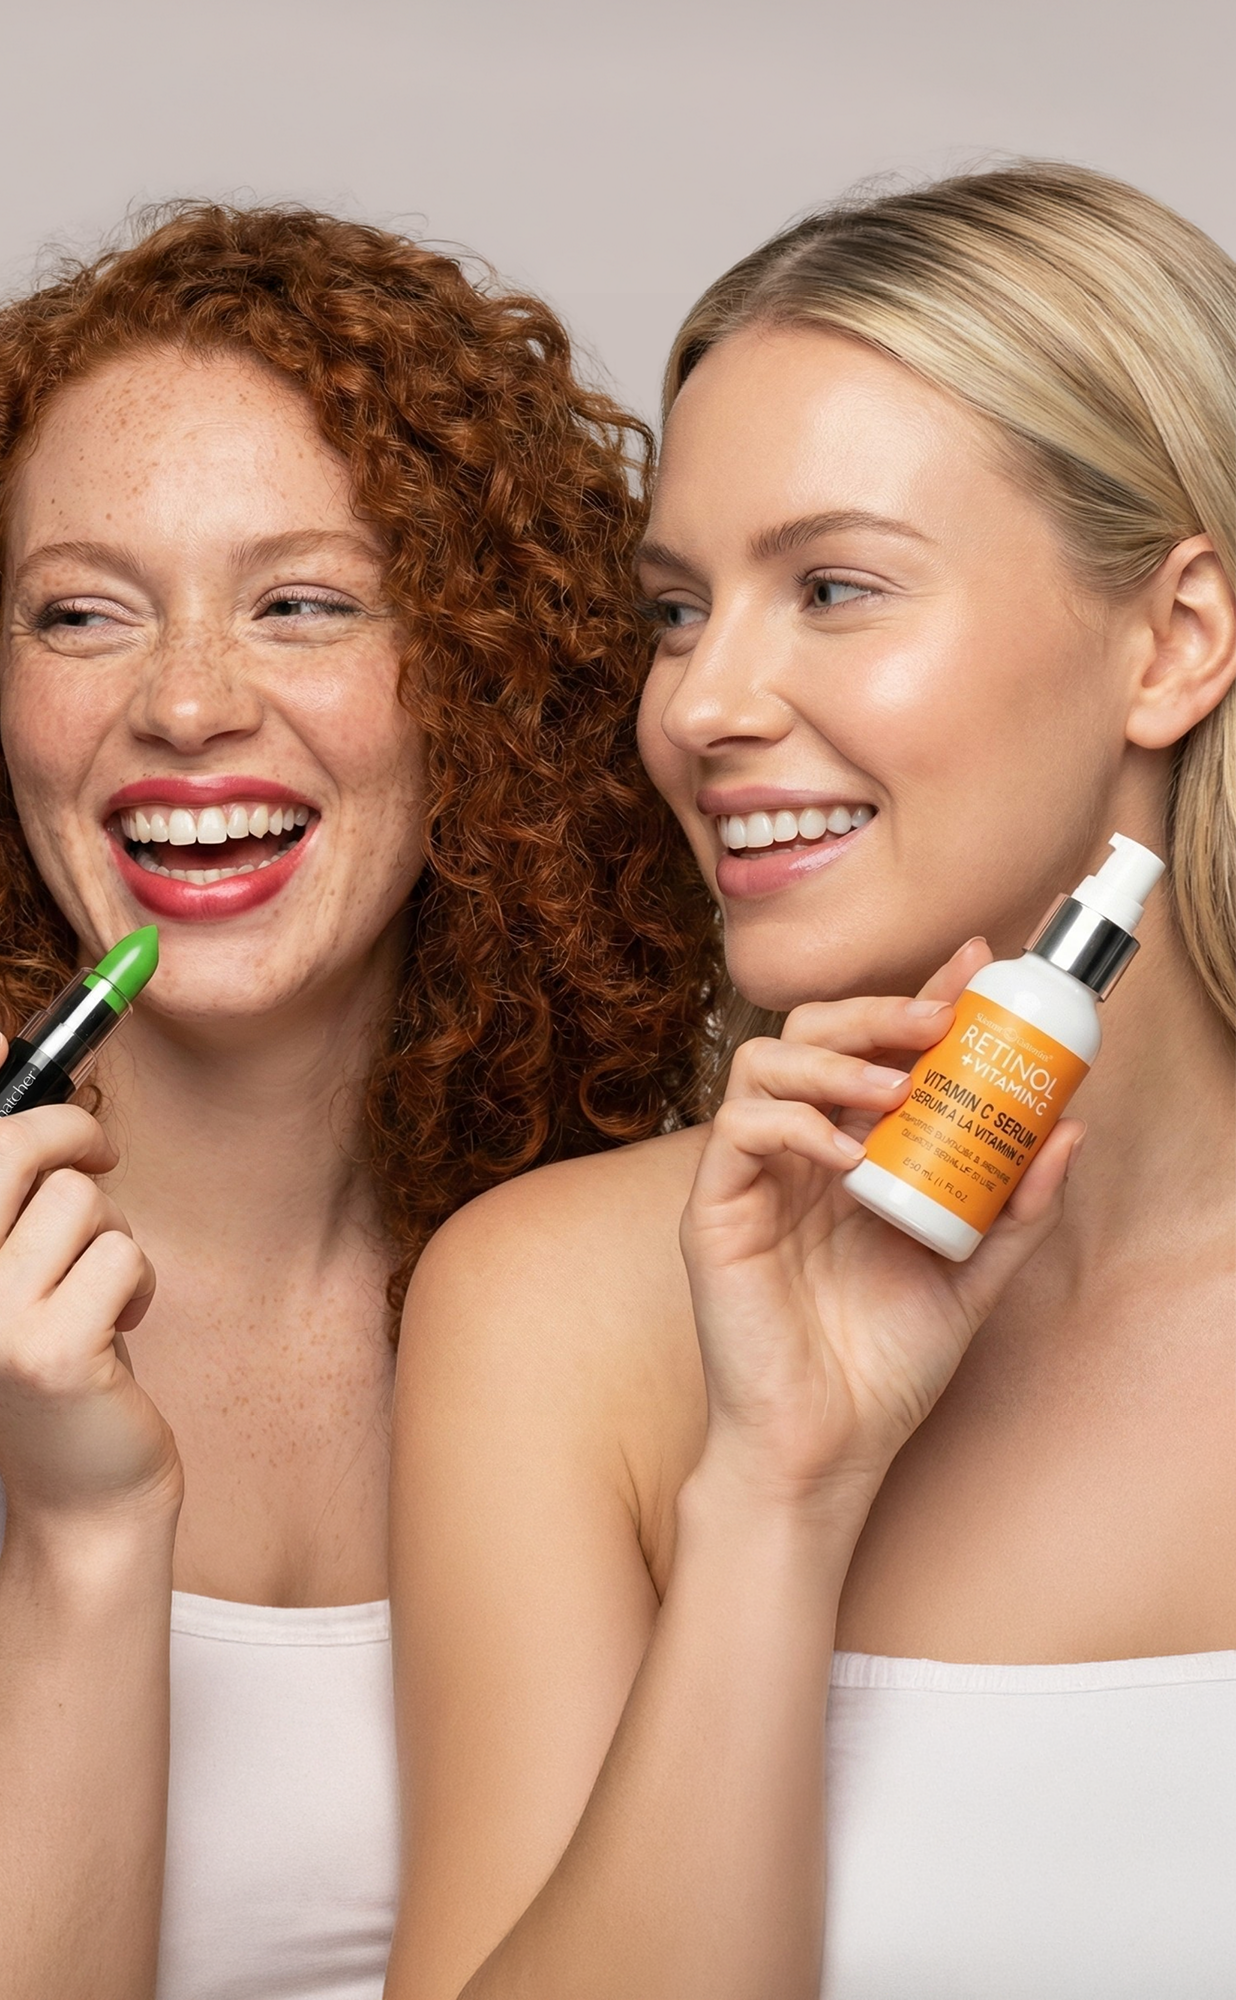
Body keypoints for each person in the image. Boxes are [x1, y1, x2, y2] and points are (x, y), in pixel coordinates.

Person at [0, 203, 716, 1999]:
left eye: (303, 603)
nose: (186, 703)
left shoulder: (653, 1271)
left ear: (495, 677)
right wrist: (87, 1525)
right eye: (83, 614)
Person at [386, 161, 1236, 2000]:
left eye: (834, 587)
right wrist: (777, 1496)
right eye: (679, 611)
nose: (699, 708)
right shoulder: (556, 1315)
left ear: (1174, 641)